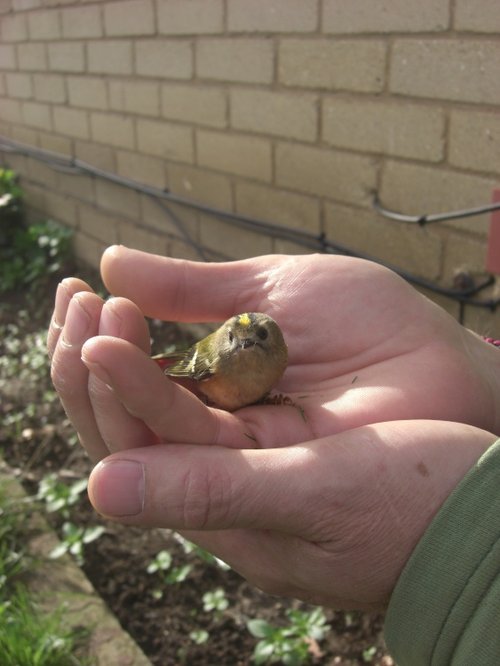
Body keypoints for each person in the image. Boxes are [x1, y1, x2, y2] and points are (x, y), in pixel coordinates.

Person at [48, 245, 500, 665]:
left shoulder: (277, 359)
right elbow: (194, 368)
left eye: (261, 338)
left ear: (276, 346)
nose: (247, 345)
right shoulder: (215, 359)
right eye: (237, 339)